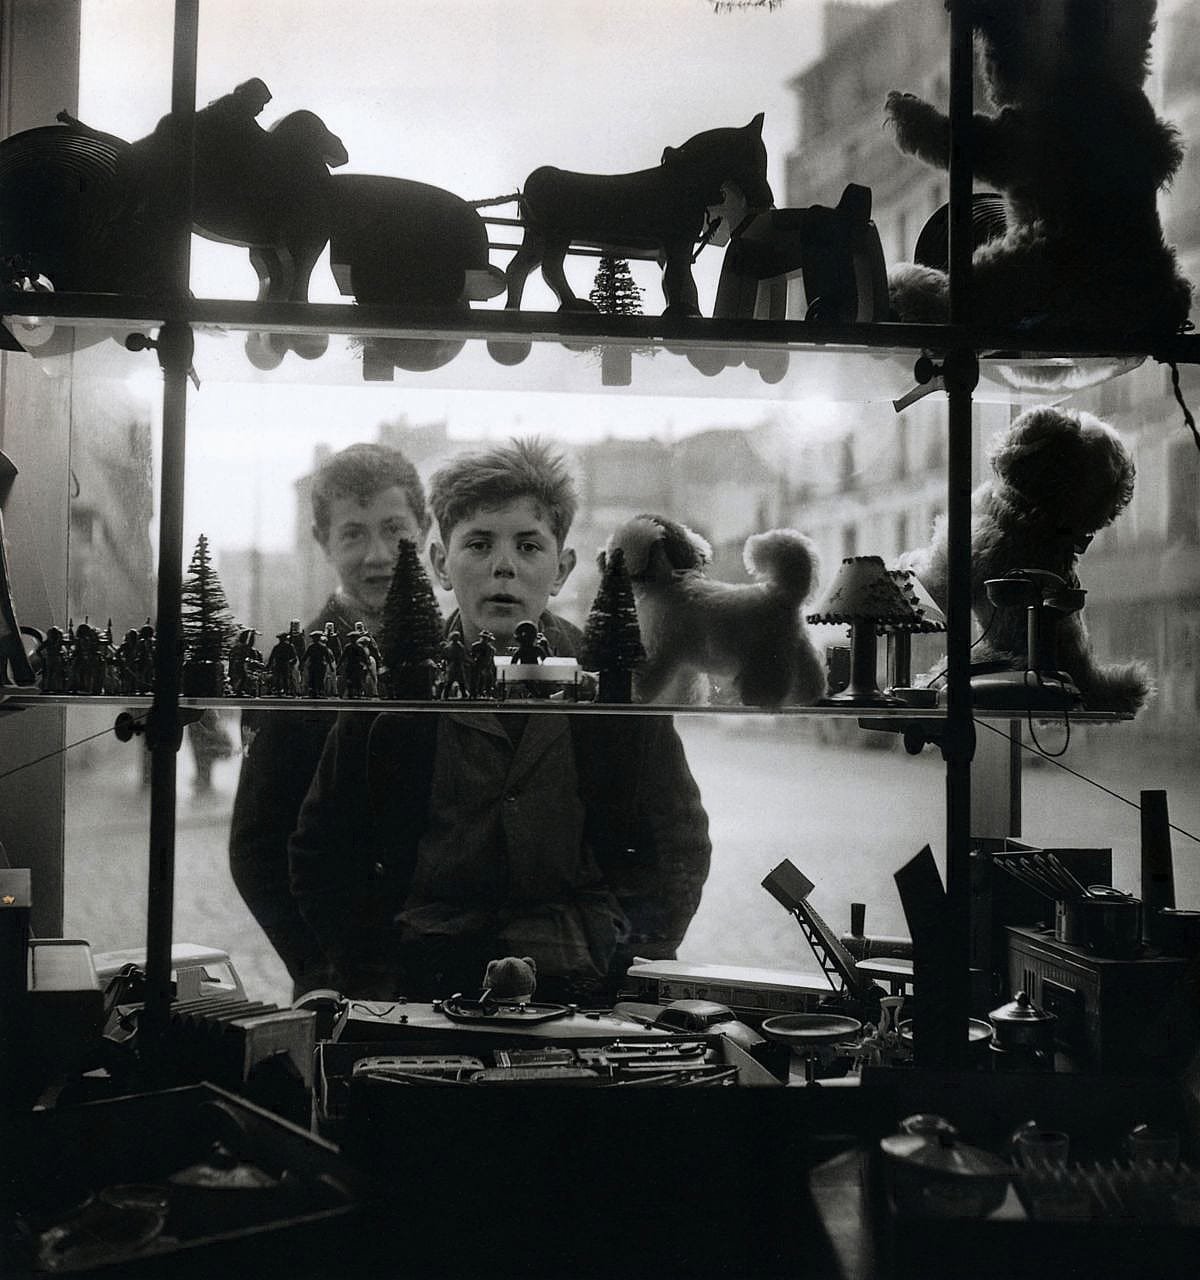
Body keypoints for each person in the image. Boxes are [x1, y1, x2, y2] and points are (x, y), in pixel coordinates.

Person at [289, 437, 711, 1003]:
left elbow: (677, 840)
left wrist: (633, 966)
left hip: (579, 978)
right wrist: (371, 977)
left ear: (561, 570)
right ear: (440, 564)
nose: (504, 567)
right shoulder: (395, 686)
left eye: (529, 546)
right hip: (424, 981)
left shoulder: (612, 687)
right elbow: (321, 849)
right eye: (479, 544)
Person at [229, 441, 430, 998]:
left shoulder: (459, 647)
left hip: (454, 967)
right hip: (347, 978)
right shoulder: (295, 667)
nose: (378, 555)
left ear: (425, 525)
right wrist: (318, 968)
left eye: (394, 529)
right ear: (323, 543)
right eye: (353, 533)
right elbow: (255, 848)